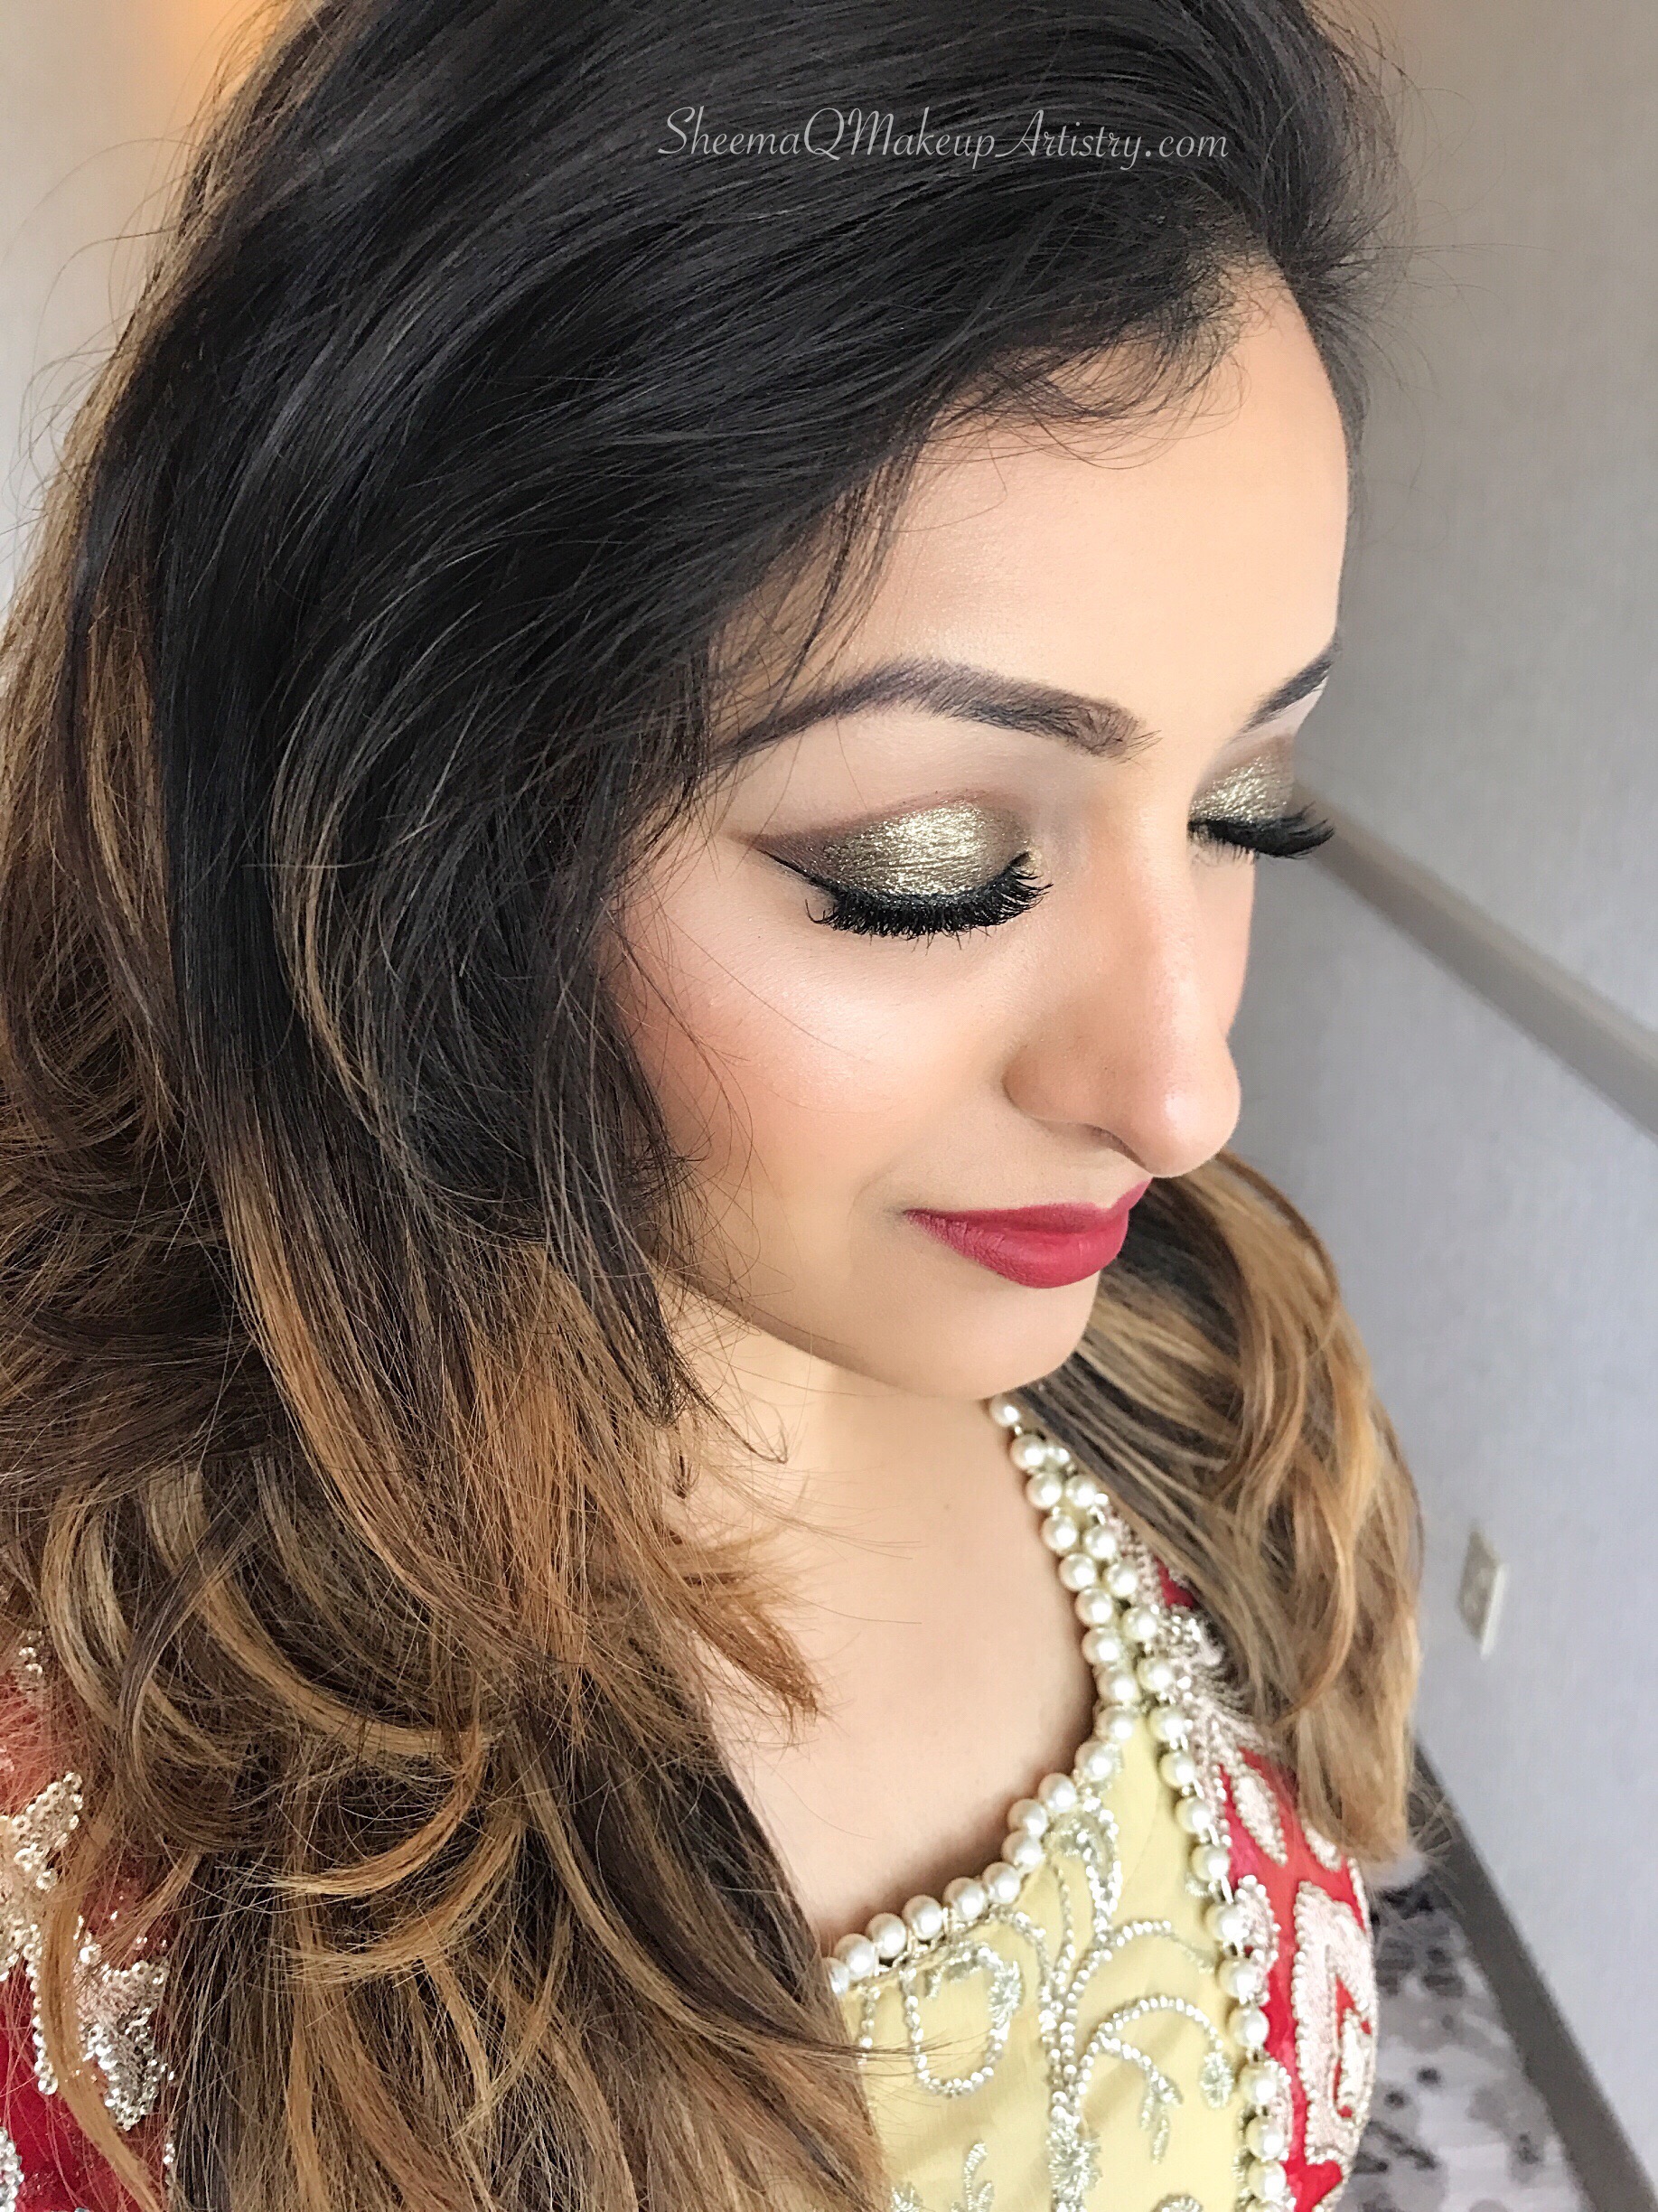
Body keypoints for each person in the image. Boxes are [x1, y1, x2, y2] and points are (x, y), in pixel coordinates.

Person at [0, 0, 1422, 2207]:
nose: (1180, 1094)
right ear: (402, 835)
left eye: (1246, 806)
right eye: (929, 863)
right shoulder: (114, 1848)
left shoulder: (1217, 1380)